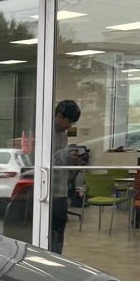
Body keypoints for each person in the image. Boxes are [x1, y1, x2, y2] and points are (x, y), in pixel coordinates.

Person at [51, 99, 82, 254]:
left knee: (58, 234)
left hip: (61, 190)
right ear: (59, 116)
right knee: (49, 234)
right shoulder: (47, 131)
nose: (69, 126)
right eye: (68, 121)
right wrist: (67, 155)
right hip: (49, 191)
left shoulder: (63, 133)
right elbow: (47, 159)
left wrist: (71, 160)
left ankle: (56, 258)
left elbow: (60, 157)